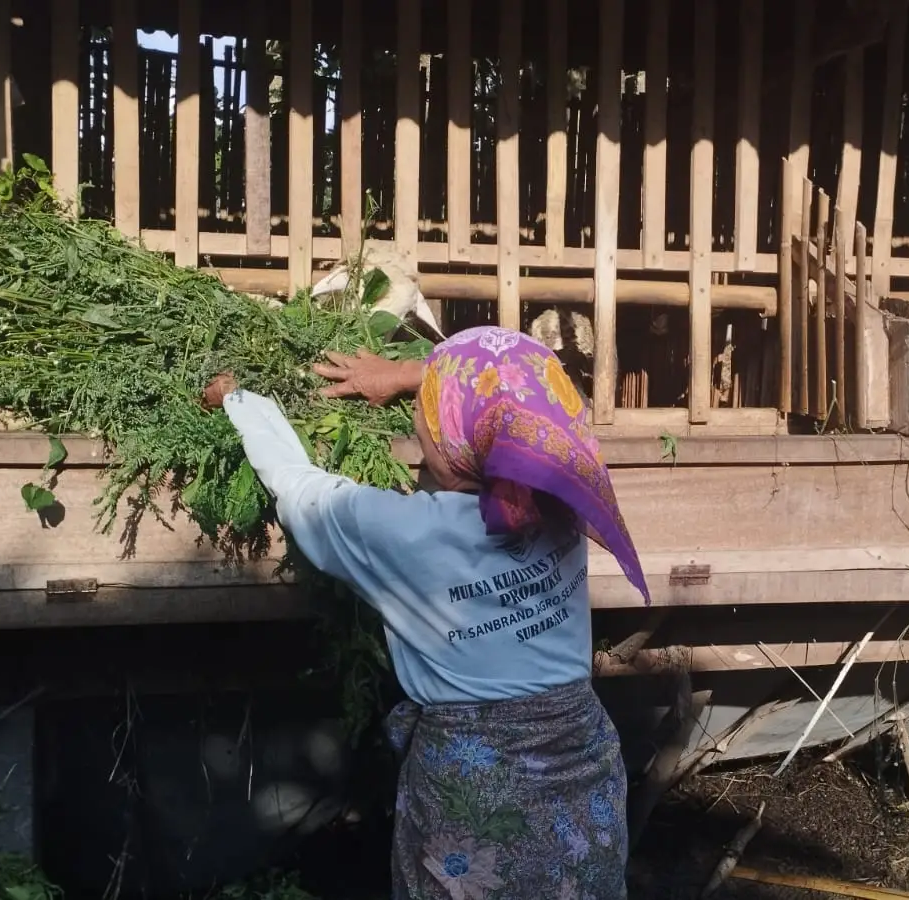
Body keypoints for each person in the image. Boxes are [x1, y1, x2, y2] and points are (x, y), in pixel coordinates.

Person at [202, 325, 651, 900]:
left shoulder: (406, 533)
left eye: (426, 407)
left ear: (453, 436)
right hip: (581, 761)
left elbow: (298, 488)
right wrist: (403, 374)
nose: (418, 419)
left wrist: (239, 399)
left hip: (476, 782)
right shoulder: (562, 498)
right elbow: (523, 378)